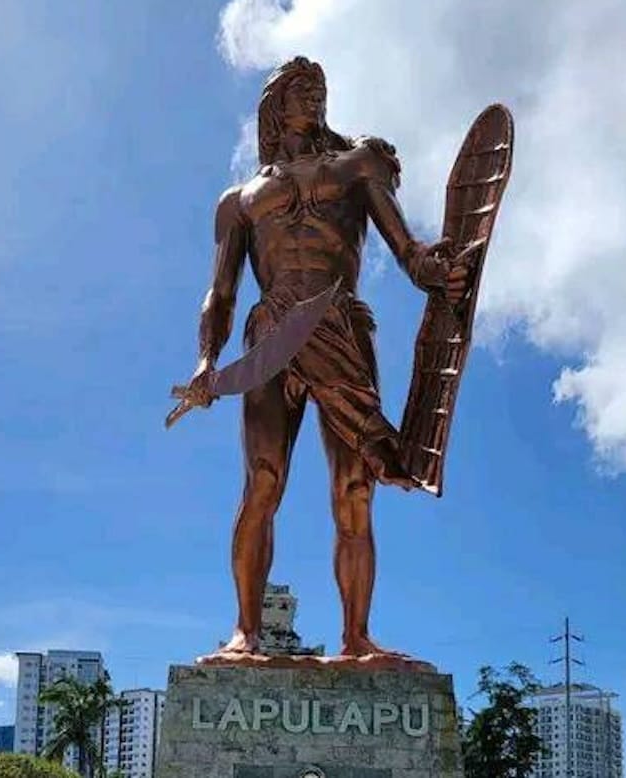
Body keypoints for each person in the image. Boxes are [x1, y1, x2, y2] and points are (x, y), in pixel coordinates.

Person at [183, 57, 468, 657]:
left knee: (355, 487)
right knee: (262, 482)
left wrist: (437, 272)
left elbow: (409, 253)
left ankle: (357, 636)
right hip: (269, 338)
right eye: (301, 90)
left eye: (320, 90)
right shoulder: (239, 199)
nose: (314, 98)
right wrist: (207, 361)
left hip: (339, 325)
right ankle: (247, 630)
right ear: (275, 105)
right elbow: (222, 292)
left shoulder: (357, 166)